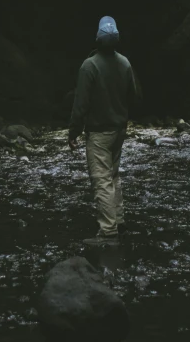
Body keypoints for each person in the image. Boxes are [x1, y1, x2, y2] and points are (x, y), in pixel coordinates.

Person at [68, 16, 137, 245]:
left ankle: (108, 233)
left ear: (98, 39)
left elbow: (81, 104)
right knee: (114, 176)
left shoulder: (90, 66)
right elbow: (133, 97)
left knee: (102, 180)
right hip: (119, 130)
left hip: (98, 133)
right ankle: (119, 221)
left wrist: (73, 132)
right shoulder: (125, 63)